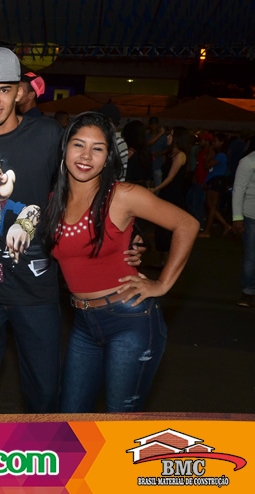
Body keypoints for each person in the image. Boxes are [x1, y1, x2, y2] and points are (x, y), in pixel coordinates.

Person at [0, 46, 143, 414]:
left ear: (20, 92)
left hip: (36, 289)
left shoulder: (48, 134)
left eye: (4, 89)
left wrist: (127, 233)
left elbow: (85, 188)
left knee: (43, 395)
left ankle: (42, 453)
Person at [43, 112, 198, 413]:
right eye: (78, 145)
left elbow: (186, 224)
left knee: (119, 420)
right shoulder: (53, 201)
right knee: (70, 417)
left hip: (130, 321)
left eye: (97, 148)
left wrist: (162, 284)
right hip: (83, 323)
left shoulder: (122, 195)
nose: (86, 156)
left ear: (108, 158)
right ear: (65, 149)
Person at [151, 127, 194, 265]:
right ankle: (163, 261)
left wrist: (154, 189)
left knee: (167, 228)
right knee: (161, 227)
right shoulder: (171, 153)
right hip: (166, 194)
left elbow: (170, 178)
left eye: (170, 135)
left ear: (177, 138)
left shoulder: (180, 155)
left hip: (173, 195)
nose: (167, 137)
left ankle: (169, 262)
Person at [232, 150, 255, 307]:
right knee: (251, 257)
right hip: (251, 216)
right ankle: (248, 291)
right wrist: (237, 217)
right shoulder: (248, 161)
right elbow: (238, 189)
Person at [199, 133, 232, 237]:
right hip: (214, 180)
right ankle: (225, 225)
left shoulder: (221, 155)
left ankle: (207, 231)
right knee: (211, 206)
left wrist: (209, 154)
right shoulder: (219, 154)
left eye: (215, 141)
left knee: (212, 207)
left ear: (221, 142)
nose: (213, 143)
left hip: (217, 181)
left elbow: (206, 166)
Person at [147, 117, 168, 187]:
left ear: (158, 125)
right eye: (152, 124)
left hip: (158, 165)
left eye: (155, 124)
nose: (153, 126)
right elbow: (147, 144)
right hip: (147, 165)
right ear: (149, 125)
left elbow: (167, 149)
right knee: (147, 186)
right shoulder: (146, 136)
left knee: (158, 186)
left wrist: (159, 154)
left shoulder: (163, 137)